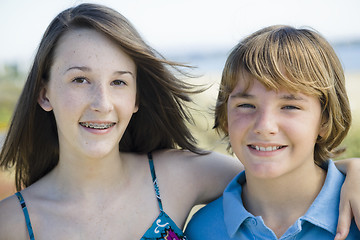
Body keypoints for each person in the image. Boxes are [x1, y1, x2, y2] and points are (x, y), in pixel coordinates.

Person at [0, 4, 358, 239]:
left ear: (137, 97)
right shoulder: (12, 223)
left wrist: (352, 170)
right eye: (80, 80)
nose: (102, 103)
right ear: (44, 93)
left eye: (119, 82)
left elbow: (277, 166)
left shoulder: (181, 175)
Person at [185, 25, 360, 240]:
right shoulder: (202, 230)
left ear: (324, 121)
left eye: (290, 107)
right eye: (246, 105)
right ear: (225, 117)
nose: (264, 126)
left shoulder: (356, 213)